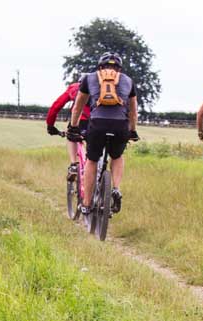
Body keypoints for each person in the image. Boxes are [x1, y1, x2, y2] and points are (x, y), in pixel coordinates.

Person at [66, 52, 139, 216]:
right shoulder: (128, 80)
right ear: (119, 68)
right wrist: (132, 130)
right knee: (117, 156)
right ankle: (116, 188)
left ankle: (85, 204)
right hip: (120, 125)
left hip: (97, 123)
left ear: (100, 67)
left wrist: (74, 126)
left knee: (92, 160)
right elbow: (133, 111)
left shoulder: (89, 78)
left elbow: (77, 107)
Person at [46, 81, 90, 182]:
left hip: (80, 121)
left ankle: (73, 164)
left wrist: (50, 125)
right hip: (98, 122)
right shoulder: (100, 87)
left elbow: (56, 106)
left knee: (71, 136)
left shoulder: (75, 87)